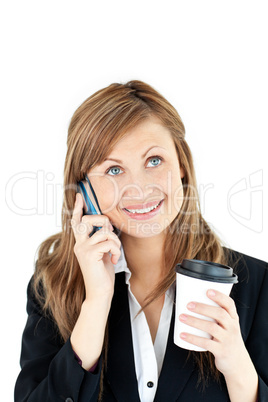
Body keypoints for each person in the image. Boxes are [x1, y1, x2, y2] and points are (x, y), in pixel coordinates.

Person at [15, 80, 268, 402]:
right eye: (114, 169)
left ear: (182, 167)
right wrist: (96, 303)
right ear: (85, 191)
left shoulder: (257, 284)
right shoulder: (53, 286)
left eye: (154, 161)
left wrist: (240, 371)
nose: (138, 188)